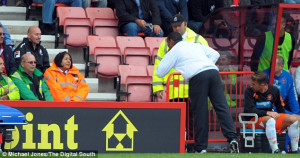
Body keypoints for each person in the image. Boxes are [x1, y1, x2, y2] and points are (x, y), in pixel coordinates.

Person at [157, 32, 239, 153]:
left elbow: (160, 72)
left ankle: (201, 148)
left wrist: (168, 55)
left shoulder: (174, 50)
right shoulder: (194, 44)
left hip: (197, 77)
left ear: (170, 41)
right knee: (222, 107)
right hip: (212, 72)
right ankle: (233, 139)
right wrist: (206, 63)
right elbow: (215, 54)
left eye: (167, 44)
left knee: (200, 112)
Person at [152, 14, 208, 152]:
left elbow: (207, 62)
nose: (176, 28)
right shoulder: (167, 42)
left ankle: (192, 148)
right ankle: (176, 147)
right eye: (174, 26)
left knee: (192, 121)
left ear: (185, 24)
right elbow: (158, 64)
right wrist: (158, 86)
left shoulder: (197, 40)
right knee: (176, 121)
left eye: (179, 25)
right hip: (174, 89)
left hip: (193, 88)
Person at [244, 71, 299, 153]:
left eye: (254, 84)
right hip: (253, 120)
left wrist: (286, 122)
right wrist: (267, 113)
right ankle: (275, 150)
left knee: (295, 119)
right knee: (270, 120)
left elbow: (280, 108)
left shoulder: (274, 90)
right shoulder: (249, 91)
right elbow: (250, 109)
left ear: (262, 85)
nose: (251, 85)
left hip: (269, 119)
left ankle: (295, 149)